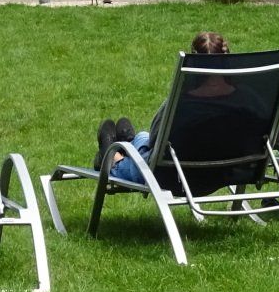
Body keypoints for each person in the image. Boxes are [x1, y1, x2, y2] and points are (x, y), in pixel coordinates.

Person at [95, 32, 233, 184]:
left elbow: (155, 138)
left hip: (177, 175)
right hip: (226, 171)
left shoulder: (182, 102)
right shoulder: (247, 97)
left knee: (147, 144)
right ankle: (131, 141)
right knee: (143, 137)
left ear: (192, 64)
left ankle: (113, 157)